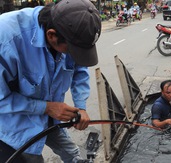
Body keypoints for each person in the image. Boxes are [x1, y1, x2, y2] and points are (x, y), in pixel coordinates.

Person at [0, 0, 101, 162]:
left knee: (74, 156)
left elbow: (79, 69)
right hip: (15, 126)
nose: (73, 55)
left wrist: (81, 107)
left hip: (50, 121)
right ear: (51, 35)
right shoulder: (6, 39)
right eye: (72, 50)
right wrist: (46, 107)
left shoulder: (68, 31)